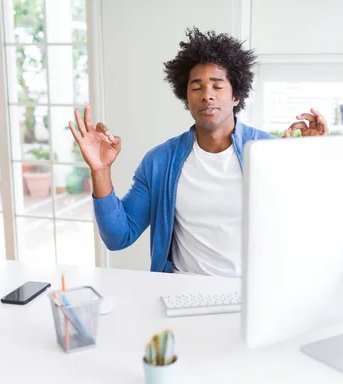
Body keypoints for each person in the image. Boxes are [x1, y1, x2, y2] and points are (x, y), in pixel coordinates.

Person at [69, 27, 327, 277]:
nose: (207, 95)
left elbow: (309, 223)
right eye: (196, 87)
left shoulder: (268, 152)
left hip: (253, 294)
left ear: (236, 95)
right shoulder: (160, 161)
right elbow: (118, 237)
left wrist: (309, 158)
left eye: (217, 86)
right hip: (182, 291)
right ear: (186, 97)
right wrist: (100, 171)